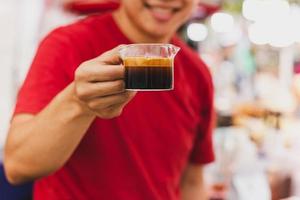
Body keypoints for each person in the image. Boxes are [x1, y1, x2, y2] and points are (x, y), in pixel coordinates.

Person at [4, 0, 215, 199]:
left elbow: (192, 181)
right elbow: (18, 167)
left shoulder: (198, 74)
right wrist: (78, 102)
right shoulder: (67, 44)